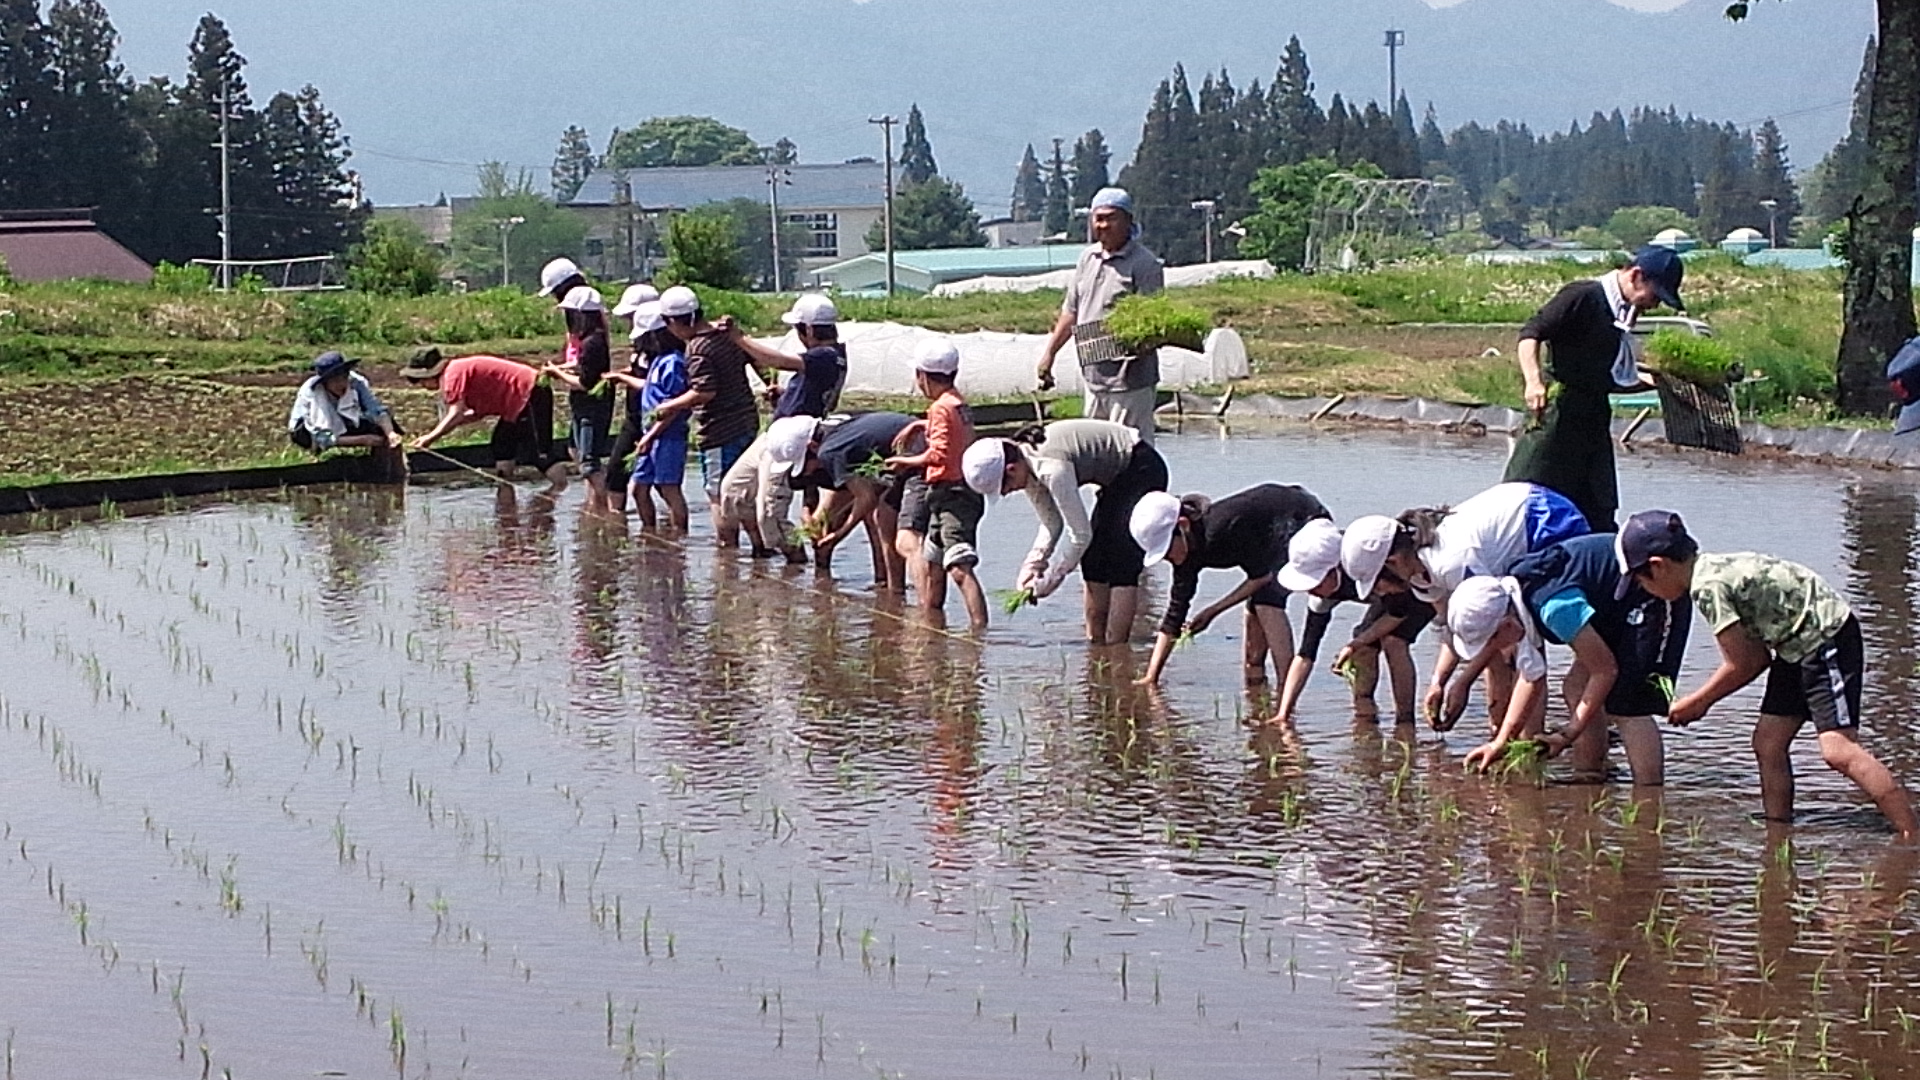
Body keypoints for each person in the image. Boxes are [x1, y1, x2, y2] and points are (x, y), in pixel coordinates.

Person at [1623, 513, 1918, 838]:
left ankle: (1911, 834)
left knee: (1837, 750)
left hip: (1825, 635)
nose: (1644, 589)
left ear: (1659, 565)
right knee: (1768, 743)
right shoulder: (1711, 568)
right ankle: (1778, 833)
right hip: (1793, 641)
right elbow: (1758, 656)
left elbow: (1746, 663)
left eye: (1641, 580)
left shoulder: (1708, 589)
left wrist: (1698, 703)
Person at [1458, 520, 1691, 786]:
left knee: (1628, 706)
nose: (1495, 651)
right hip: (1614, 604)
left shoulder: (1555, 608)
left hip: (1654, 589)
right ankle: (1590, 776)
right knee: (1576, 688)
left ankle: (1649, 796)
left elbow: (1605, 671)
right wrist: (1501, 741)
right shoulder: (1516, 598)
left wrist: (1568, 733)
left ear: (1506, 625)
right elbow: (1530, 676)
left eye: (1492, 642)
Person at [1340, 481, 1590, 725]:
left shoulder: (1452, 563)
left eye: (1377, 584)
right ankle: (1505, 733)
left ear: (1393, 562)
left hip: (1543, 518)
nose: (1381, 593)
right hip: (1514, 533)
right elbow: (1454, 627)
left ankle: (1526, 737)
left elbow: (1494, 624)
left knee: (1520, 646)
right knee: (1505, 647)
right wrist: (1439, 682)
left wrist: (1463, 682)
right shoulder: (1420, 577)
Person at [1502, 246, 1685, 531]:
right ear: (1636, 276)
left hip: (1593, 420)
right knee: (1526, 502)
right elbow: (1530, 334)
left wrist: (1666, 384)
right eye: (1654, 295)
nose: (1654, 305)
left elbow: (1607, 379)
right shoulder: (1584, 296)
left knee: (1597, 510)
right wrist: (1533, 381)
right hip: (1556, 415)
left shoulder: (1622, 315)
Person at [962, 417, 1169, 644]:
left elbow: (1080, 535)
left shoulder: (1051, 468)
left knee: (1121, 562)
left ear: (1011, 469)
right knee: (1092, 559)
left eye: (1005, 487)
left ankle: (1116, 649)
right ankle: (1096, 644)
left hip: (1141, 467)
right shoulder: (1026, 467)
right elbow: (1052, 523)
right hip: (1115, 479)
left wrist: (1052, 579)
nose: (1005, 493)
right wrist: (1032, 565)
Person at [1127, 484, 1330, 687]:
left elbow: (1261, 577)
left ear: (1183, 525)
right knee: (1254, 609)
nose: (1168, 559)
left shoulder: (1223, 529)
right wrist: (1151, 677)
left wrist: (1213, 611)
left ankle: (1286, 687)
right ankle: (1255, 681)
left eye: (1167, 550)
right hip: (1267, 535)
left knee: (1266, 601)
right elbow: (1174, 616)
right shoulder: (1185, 556)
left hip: (1302, 519)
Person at [1270, 519, 1435, 725]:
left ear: (1334, 569)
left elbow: (1398, 614)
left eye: (1314, 583)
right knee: (1363, 645)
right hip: (1390, 602)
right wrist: (1283, 713)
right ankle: (1365, 713)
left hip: (1416, 586)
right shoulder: (1322, 596)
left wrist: (1354, 644)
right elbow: (1305, 654)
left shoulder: (1374, 569)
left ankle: (1405, 721)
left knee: (1394, 642)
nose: (1309, 591)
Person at [1036, 186, 1165, 444]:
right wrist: (1049, 354)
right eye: (1099, 218)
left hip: (1129, 380)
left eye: (1111, 217)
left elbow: (1152, 324)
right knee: (1095, 450)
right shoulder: (1088, 258)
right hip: (1093, 374)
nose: (1103, 224)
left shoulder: (1144, 264)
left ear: (1128, 220)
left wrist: (1121, 341)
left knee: (1130, 449)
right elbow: (1071, 311)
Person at [647, 285, 767, 543]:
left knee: (717, 492)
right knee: (743, 490)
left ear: (672, 322)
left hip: (718, 430)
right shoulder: (727, 335)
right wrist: (768, 384)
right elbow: (757, 360)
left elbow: (704, 392)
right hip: (746, 420)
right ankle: (759, 545)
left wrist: (670, 405)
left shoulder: (697, 348)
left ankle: (728, 549)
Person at [886, 338, 990, 629]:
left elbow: (940, 453)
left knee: (958, 566)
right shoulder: (957, 402)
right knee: (933, 563)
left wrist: (906, 462)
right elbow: (956, 435)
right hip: (951, 492)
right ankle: (932, 625)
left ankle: (979, 633)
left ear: (922, 376)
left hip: (952, 494)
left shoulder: (940, 409)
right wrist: (919, 425)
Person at [401, 348, 567, 488]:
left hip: (530, 393)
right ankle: (506, 497)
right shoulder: (457, 371)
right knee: (502, 444)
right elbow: (474, 413)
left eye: (420, 381)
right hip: (517, 402)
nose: (421, 386)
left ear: (431, 374)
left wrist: (430, 438)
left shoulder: (451, 377)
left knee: (539, 454)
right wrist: (454, 423)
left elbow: (456, 413)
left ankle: (559, 491)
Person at [792, 411, 915, 592]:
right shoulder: (811, 448)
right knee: (828, 521)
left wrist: (840, 534)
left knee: (880, 518)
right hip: (870, 462)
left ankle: (891, 587)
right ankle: (882, 583)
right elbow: (808, 483)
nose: (806, 472)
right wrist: (806, 510)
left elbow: (867, 498)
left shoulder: (829, 450)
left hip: (896, 452)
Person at [604, 300, 690, 530]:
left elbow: (671, 407)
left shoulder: (673, 363)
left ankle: (679, 539)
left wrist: (651, 436)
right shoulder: (657, 362)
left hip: (667, 437)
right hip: (650, 435)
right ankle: (650, 534)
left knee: (669, 489)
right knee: (639, 489)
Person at [543, 285, 616, 511]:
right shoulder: (590, 340)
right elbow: (582, 366)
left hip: (592, 405)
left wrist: (558, 373)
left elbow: (585, 383)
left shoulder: (593, 342)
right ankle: (596, 504)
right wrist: (560, 367)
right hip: (584, 404)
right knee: (577, 452)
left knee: (590, 464)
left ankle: (606, 510)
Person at [728, 293, 848, 421]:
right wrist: (786, 395)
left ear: (809, 330)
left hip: (794, 429)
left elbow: (779, 360)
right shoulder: (836, 354)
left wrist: (739, 339)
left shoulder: (824, 355)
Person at [718, 415, 818, 561]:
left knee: (770, 514)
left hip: (797, 439)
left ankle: (797, 561)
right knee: (733, 491)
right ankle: (761, 553)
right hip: (774, 431)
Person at [287, 351, 404, 474]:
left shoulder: (356, 382)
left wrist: (390, 433)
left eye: (344, 377)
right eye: (335, 380)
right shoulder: (313, 393)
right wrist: (363, 440)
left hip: (342, 421)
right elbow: (321, 437)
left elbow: (375, 409)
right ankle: (318, 457)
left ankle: (384, 464)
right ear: (326, 382)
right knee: (307, 436)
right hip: (307, 430)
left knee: (384, 425)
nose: (341, 384)